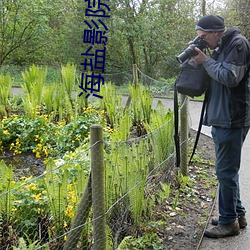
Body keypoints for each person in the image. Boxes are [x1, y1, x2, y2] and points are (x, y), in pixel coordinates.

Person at [192, 15, 250, 238]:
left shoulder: (238, 44)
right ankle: (237, 214)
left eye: (204, 37)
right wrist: (202, 59)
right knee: (227, 171)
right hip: (222, 117)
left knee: (225, 171)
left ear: (216, 32)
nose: (203, 41)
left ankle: (228, 223)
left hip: (232, 118)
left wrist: (205, 61)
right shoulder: (221, 46)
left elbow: (229, 77)